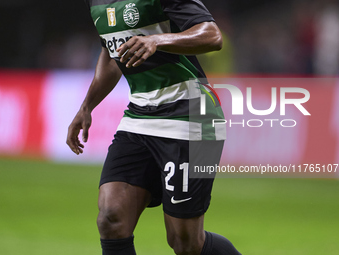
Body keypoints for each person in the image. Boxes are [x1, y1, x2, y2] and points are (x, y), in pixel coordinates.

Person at [66, 0, 241, 254]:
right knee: (110, 217)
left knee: (186, 242)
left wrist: (158, 40)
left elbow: (212, 36)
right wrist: (86, 106)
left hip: (188, 113)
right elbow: (112, 52)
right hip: (138, 116)